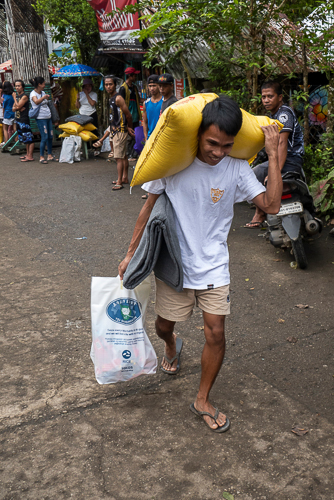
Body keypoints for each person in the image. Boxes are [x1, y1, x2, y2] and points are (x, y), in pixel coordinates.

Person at [118, 95, 282, 432]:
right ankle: (170, 344)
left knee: (217, 332)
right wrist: (130, 252)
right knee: (164, 325)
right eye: (212, 143)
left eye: (226, 145)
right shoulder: (174, 162)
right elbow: (147, 208)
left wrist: (275, 158)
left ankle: (202, 398)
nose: (218, 151)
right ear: (198, 135)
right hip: (176, 264)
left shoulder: (236, 167)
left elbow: (272, 204)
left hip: (214, 266)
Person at [246, 80, 304, 228]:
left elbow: (282, 143)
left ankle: (260, 213)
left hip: (290, 159)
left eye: (270, 96)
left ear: (280, 97)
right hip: (287, 158)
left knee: (255, 174)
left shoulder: (284, 113)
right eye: (264, 97)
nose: (266, 100)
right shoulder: (274, 115)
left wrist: (275, 172)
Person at [104, 75, 134, 190]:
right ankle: (124, 178)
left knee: (118, 158)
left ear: (115, 85)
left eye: (110, 84)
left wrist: (129, 127)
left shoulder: (118, 98)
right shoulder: (111, 98)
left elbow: (128, 114)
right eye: (106, 84)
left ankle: (119, 182)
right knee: (123, 156)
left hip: (120, 131)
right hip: (115, 130)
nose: (108, 87)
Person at [30, 76, 59, 164]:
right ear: (39, 84)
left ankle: (49, 155)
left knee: (50, 136)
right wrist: (44, 97)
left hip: (48, 117)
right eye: (43, 84)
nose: (44, 85)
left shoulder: (43, 92)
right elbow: (36, 102)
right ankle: (41, 156)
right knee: (44, 137)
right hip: (40, 118)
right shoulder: (33, 94)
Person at [119, 67, 141, 159]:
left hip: (135, 115)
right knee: (128, 137)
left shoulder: (134, 87)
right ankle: (127, 155)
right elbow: (121, 105)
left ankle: (134, 154)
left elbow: (138, 100)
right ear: (130, 76)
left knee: (135, 136)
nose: (135, 77)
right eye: (134, 75)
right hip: (127, 116)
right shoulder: (123, 88)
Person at [12, 80, 34, 162]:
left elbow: (17, 106)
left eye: (19, 86)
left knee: (29, 138)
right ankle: (27, 154)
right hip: (18, 120)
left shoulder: (24, 96)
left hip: (24, 120)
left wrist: (15, 99)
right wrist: (17, 106)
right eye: (16, 86)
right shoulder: (18, 97)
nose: (17, 87)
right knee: (25, 139)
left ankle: (30, 156)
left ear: (22, 87)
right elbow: (13, 109)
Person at [143, 75, 163, 140]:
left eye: (154, 85)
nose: (152, 88)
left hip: (162, 137)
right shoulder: (146, 103)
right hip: (150, 138)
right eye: (150, 86)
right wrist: (146, 138)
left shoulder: (164, 101)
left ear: (159, 86)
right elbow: (145, 122)